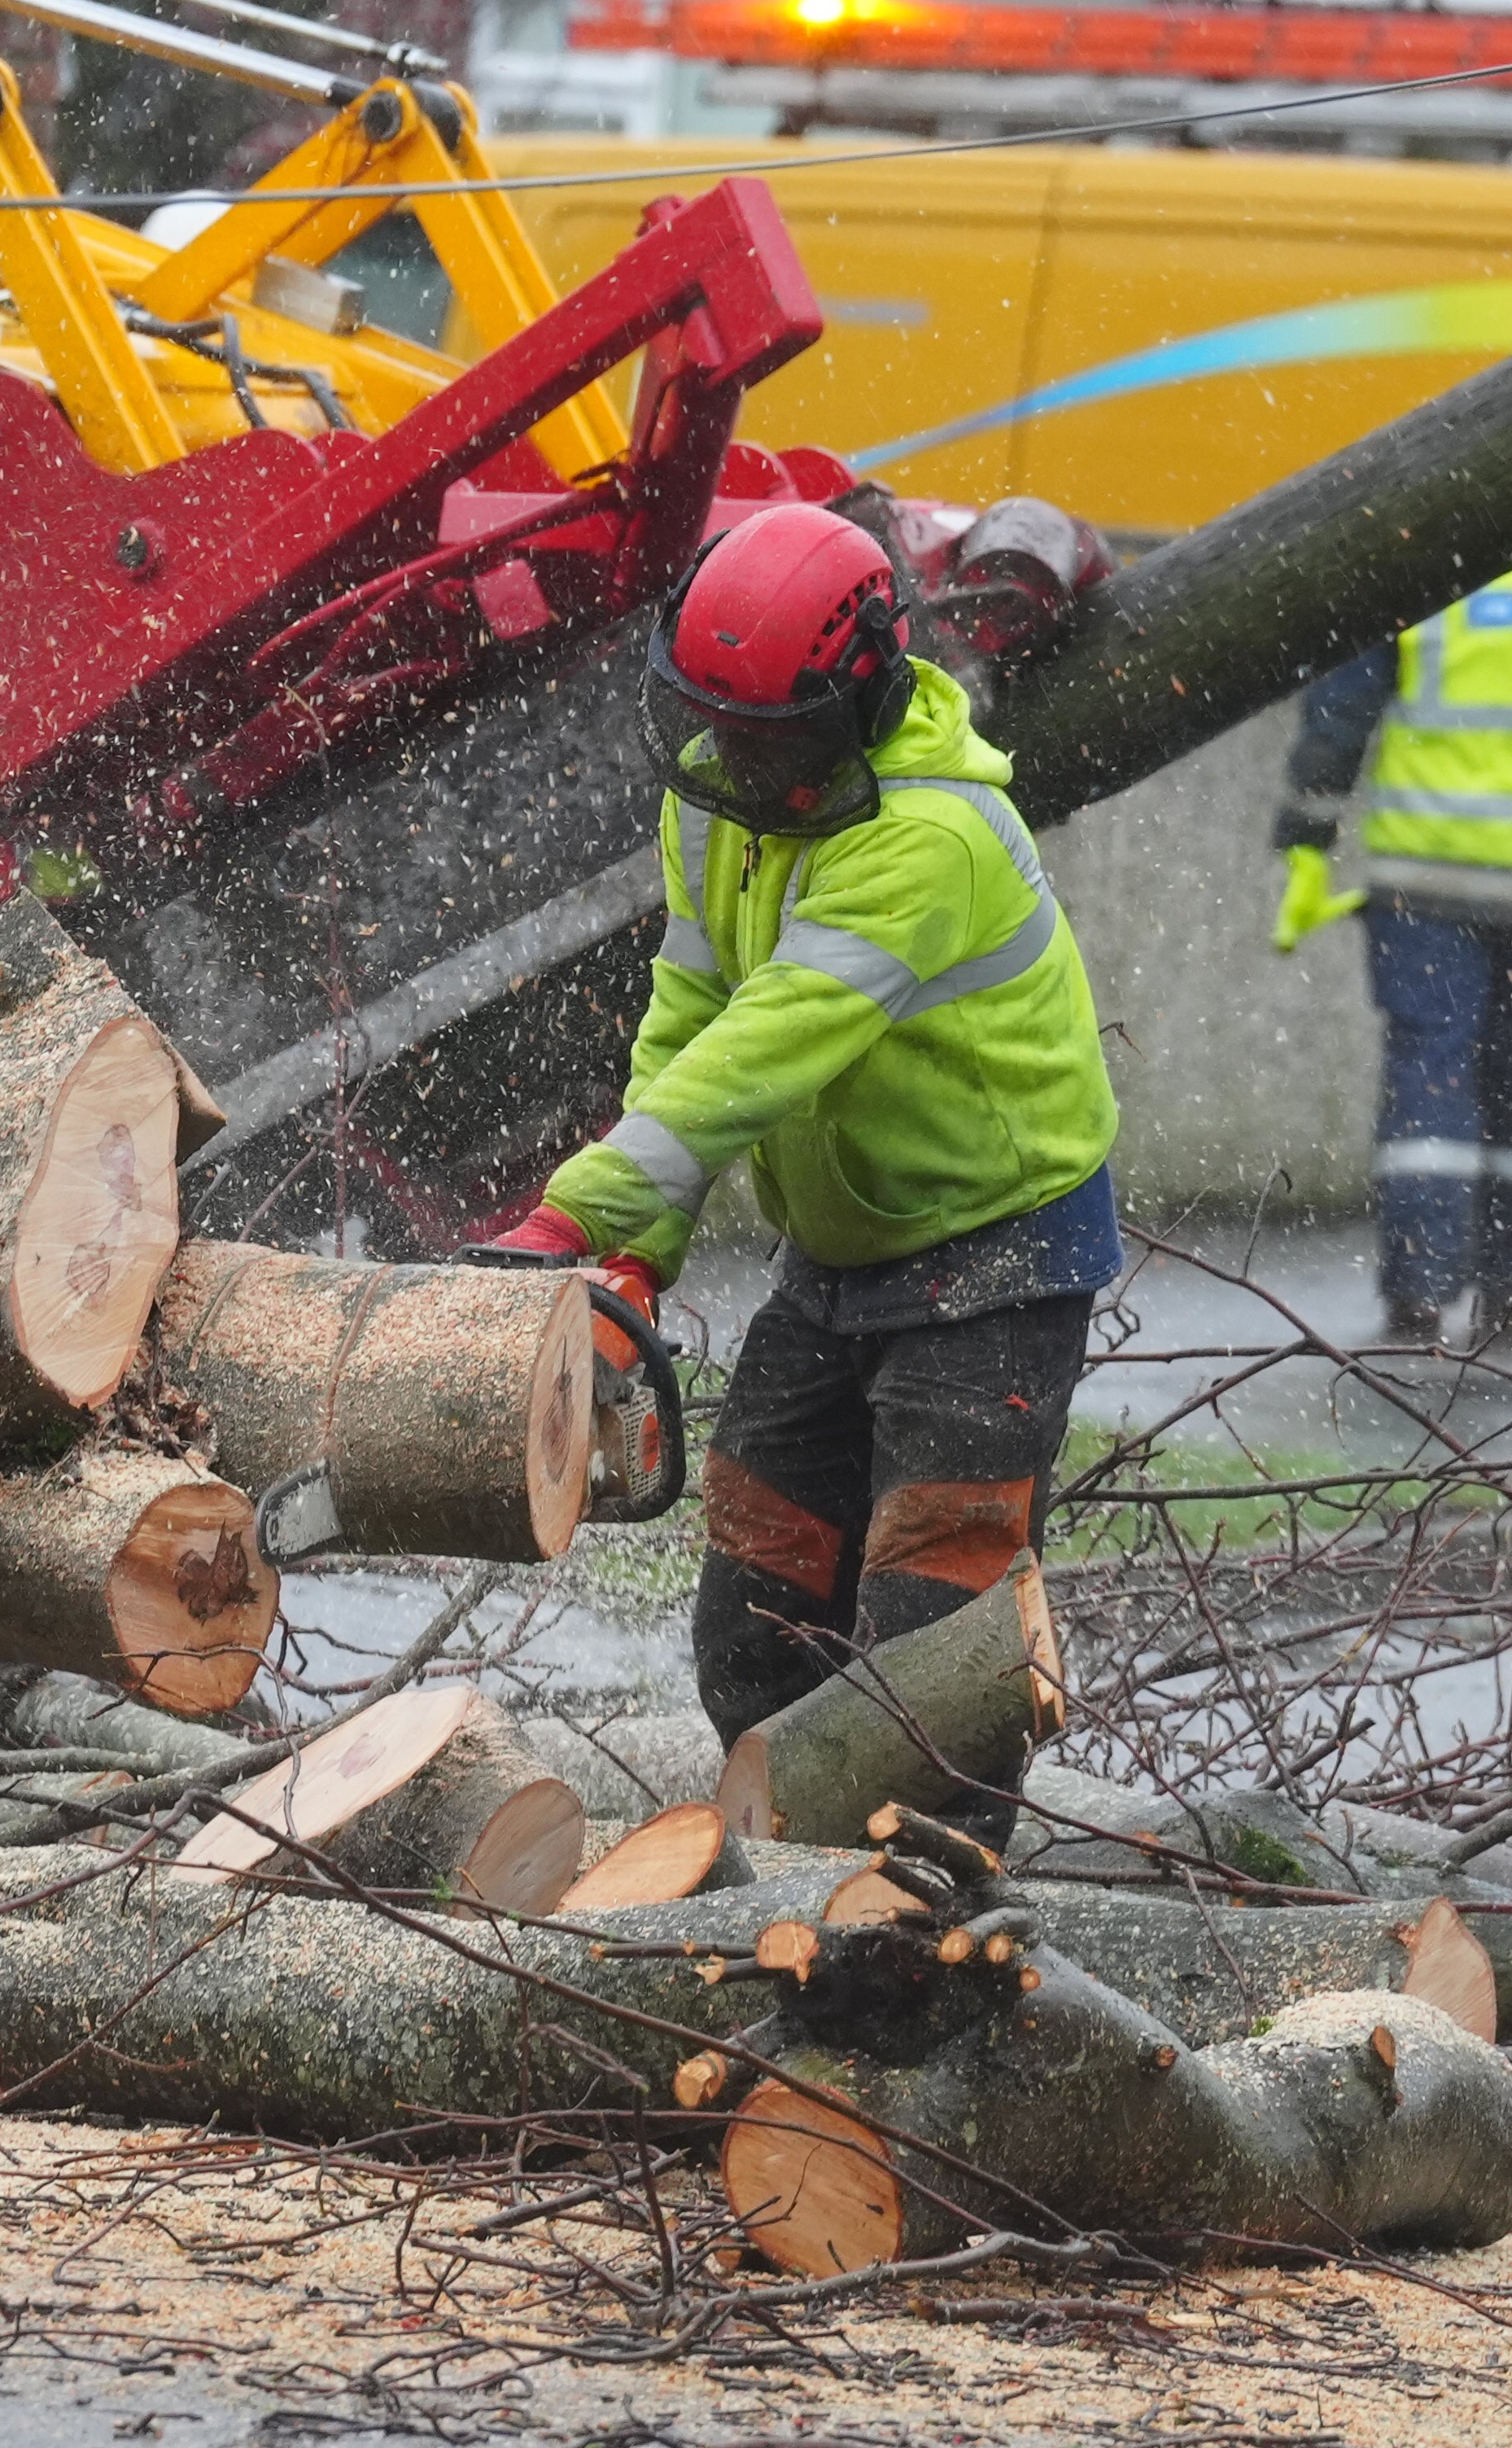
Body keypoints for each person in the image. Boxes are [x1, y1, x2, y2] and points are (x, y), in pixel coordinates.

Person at [472, 504, 1121, 1781]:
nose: (730, 755)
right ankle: (787, 1867)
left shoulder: (927, 837)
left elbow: (769, 1043)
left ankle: (932, 1909)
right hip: (839, 1249)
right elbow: (691, 1016)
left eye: (767, 734)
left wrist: (575, 1212)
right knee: (756, 1612)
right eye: (715, 722)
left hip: (998, 1253)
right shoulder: (725, 801)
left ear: (851, 700)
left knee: (934, 1635)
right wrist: (637, 1252)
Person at [1270, 522, 1512, 1348]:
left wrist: (1307, 827)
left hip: (1431, 877)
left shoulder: (1431, 559)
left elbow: (1341, 711)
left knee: (1430, 1069)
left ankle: (1419, 1287)